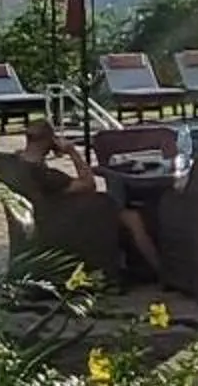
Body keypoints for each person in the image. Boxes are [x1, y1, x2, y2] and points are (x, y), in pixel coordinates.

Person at [19, 118, 161, 276]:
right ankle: (160, 270)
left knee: (122, 211)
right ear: (51, 141)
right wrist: (73, 153)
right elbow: (89, 184)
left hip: (49, 216)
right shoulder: (48, 176)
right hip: (70, 220)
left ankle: (134, 261)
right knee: (132, 218)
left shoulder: (16, 164)